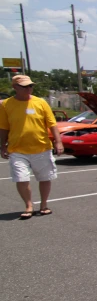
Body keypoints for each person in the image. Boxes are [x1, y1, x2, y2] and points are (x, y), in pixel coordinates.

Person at [0, 74, 64, 219]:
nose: (29, 88)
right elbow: (3, 127)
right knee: (21, 178)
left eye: (30, 86)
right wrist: (2, 146)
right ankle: (29, 205)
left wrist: (58, 142)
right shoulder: (6, 105)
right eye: (24, 86)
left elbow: (52, 123)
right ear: (15, 87)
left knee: (45, 178)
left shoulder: (40, 102)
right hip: (17, 149)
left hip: (41, 148)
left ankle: (43, 205)